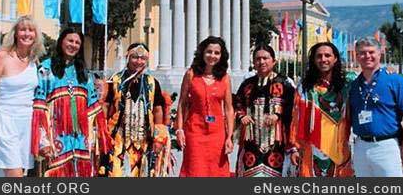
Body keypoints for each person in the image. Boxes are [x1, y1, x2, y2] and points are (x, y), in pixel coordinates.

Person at [31, 27, 111, 177]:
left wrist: (93, 137)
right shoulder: (46, 69)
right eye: (70, 40)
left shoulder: (83, 73)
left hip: (80, 139)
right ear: (61, 42)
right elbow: (39, 109)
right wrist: (43, 141)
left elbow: (92, 109)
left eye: (77, 42)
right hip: (55, 137)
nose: (73, 45)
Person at [0, 16, 45, 177]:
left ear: (36, 35)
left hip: (27, 123)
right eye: (23, 29)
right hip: (5, 122)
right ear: (16, 34)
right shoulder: (2, 56)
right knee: (15, 175)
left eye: (31, 30)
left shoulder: (34, 61)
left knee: (22, 174)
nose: (27, 34)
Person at [349, 36, 403, 177]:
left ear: (380, 54)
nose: (367, 56)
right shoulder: (354, 85)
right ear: (357, 56)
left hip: (386, 146)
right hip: (360, 146)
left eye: (371, 52)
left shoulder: (395, 80)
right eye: (362, 53)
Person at [99, 43, 170, 177]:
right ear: (128, 58)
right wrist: (103, 132)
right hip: (118, 138)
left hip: (143, 140)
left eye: (143, 58)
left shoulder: (152, 83)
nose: (139, 61)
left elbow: (158, 110)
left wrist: (159, 138)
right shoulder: (115, 80)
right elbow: (106, 106)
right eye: (135, 57)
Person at [290, 42, 353, 177]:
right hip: (311, 151)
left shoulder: (348, 85)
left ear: (335, 59)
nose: (323, 59)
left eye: (327, 55)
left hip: (339, 148)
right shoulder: (304, 88)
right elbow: (296, 119)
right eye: (319, 56)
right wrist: (294, 147)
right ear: (313, 60)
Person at [234, 45, 296, 177]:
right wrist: (241, 116)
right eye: (258, 59)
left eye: (265, 58)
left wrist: (278, 114)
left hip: (277, 144)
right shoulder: (247, 84)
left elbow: (294, 108)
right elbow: (237, 103)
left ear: (274, 61)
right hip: (252, 143)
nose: (261, 62)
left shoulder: (285, 84)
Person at [176, 36, 234, 177]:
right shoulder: (191, 75)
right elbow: (182, 103)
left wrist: (229, 136)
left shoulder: (225, 78)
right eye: (209, 52)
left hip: (217, 133)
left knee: (216, 169)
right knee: (195, 168)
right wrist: (179, 129)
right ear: (202, 53)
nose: (212, 56)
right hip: (195, 131)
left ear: (221, 56)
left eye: (216, 53)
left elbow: (228, 108)